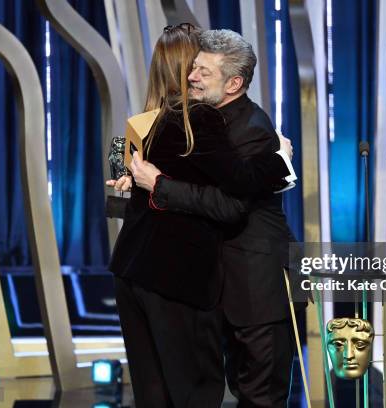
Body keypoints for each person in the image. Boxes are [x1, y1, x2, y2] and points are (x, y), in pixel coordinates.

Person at [107, 24, 295, 408]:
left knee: (258, 396)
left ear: (233, 83)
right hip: (203, 284)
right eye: (191, 67)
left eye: (203, 72)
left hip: (253, 286)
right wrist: (127, 175)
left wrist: (158, 184)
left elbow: (231, 203)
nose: (190, 77)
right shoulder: (187, 119)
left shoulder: (253, 129)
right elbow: (130, 167)